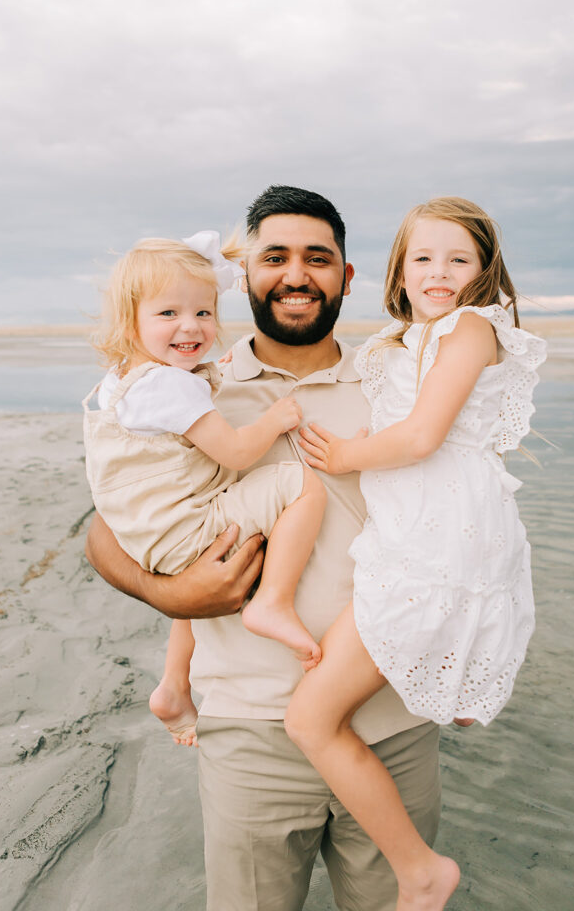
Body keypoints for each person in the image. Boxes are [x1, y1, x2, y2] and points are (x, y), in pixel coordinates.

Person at [84, 184, 441, 911]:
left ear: (346, 276)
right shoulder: (188, 383)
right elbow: (103, 527)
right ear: (244, 274)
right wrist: (165, 593)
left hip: (392, 724)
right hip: (250, 730)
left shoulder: (402, 386)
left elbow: (465, 526)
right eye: (273, 256)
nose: (296, 274)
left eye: (318, 257)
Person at [288, 197, 547, 910]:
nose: (438, 273)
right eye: (422, 258)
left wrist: (342, 456)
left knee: (310, 718)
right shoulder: (410, 336)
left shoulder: (467, 328)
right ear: (398, 269)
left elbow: (421, 435)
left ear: (483, 270)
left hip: (438, 536)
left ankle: (420, 870)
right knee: (326, 707)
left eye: (457, 259)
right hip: (415, 529)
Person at [82, 232, 327, 746]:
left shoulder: (122, 380)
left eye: (203, 312)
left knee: (192, 596)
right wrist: (276, 419)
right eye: (168, 314)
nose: (190, 327)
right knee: (301, 485)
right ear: (131, 321)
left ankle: (174, 686)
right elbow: (237, 452)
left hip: (151, 533)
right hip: (186, 528)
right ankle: (273, 602)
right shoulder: (171, 385)